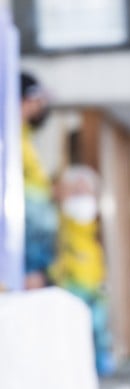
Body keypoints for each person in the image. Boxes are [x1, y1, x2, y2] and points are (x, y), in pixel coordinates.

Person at [49, 164, 116, 376]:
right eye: (76, 192)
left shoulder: (95, 248)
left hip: (84, 349)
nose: (82, 199)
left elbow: (99, 304)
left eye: (87, 193)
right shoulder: (50, 234)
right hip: (54, 337)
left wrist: (102, 353)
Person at [21, 72, 58, 290]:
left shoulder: (24, 136)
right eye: (37, 100)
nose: (40, 107)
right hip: (23, 240)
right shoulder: (9, 136)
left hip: (32, 242)